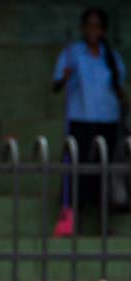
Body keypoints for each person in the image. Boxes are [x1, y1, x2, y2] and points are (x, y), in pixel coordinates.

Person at [52, 7, 127, 236]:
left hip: (108, 120)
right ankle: (70, 221)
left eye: (97, 27)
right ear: (83, 28)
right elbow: (56, 85)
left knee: (103, 171)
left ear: (103, 30)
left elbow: (118, 88)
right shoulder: (72, 53)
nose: (93, 31)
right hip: (80, 119)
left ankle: (103, 223)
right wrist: (65, 78)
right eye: (89, 26)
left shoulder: (112, 57)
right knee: (78, 170)